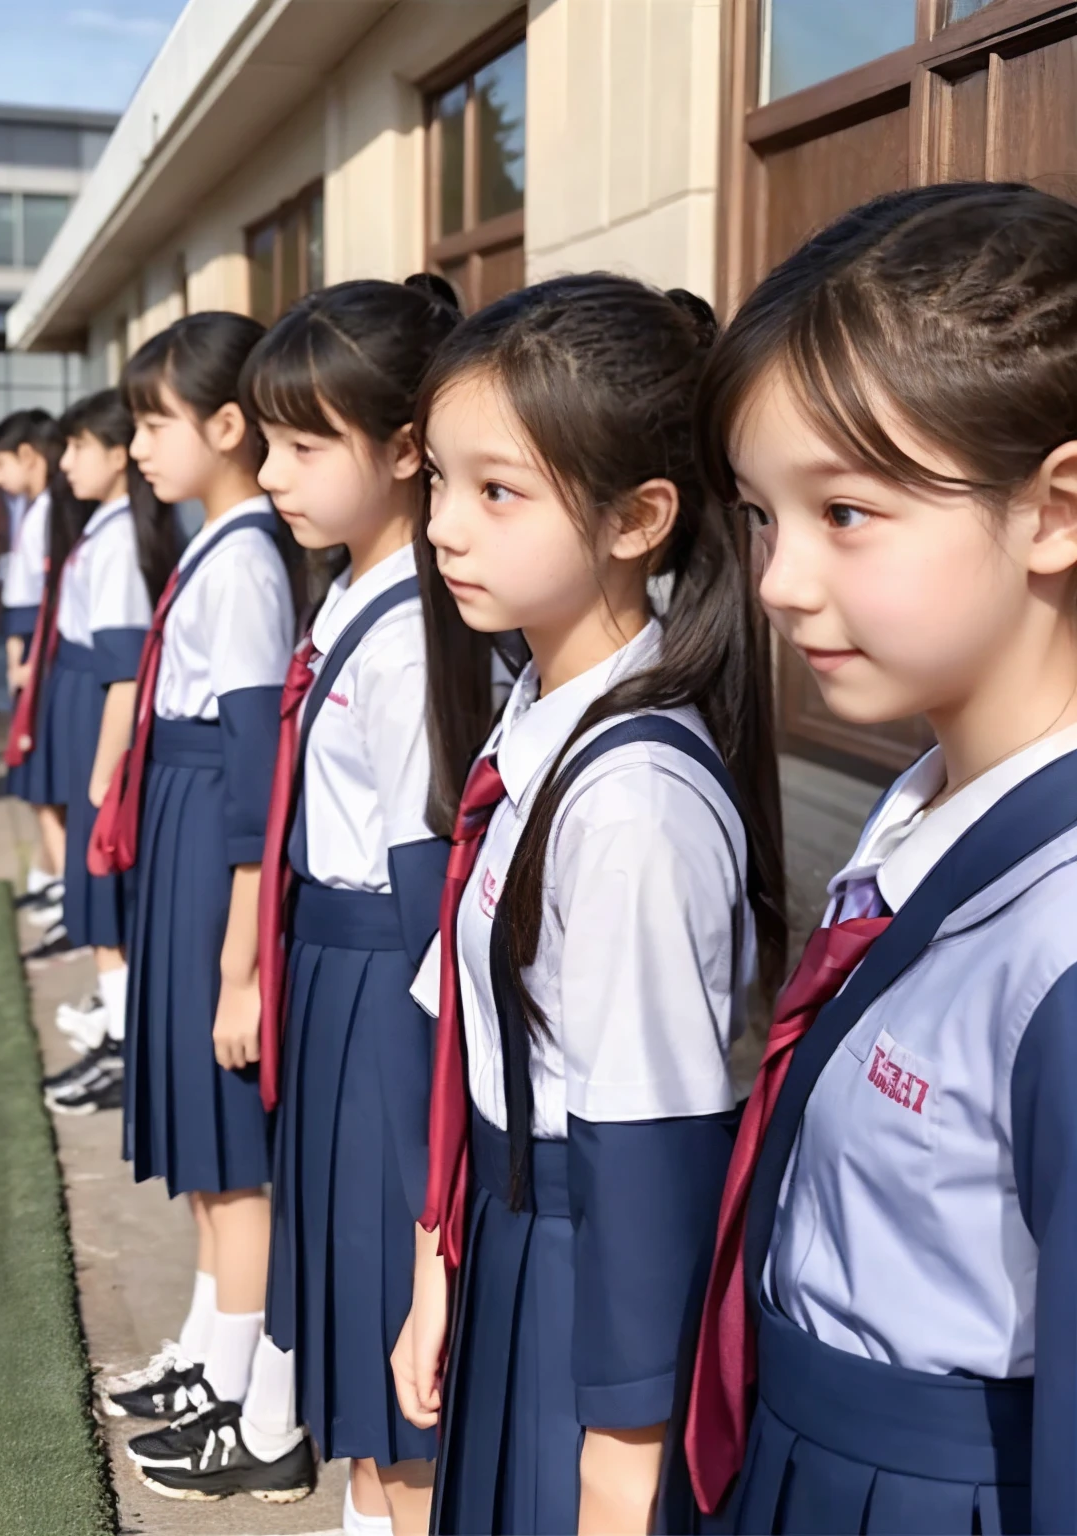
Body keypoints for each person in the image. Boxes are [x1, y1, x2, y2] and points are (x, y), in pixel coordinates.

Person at [676, 181, 1077, 1536]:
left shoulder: (1060, 942)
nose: (780, 580)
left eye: (844, 512)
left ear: (1057, 509)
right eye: (762, 513)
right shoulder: (918, 821)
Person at [389, 274, 786, 1536]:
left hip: (591, 1291)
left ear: (640, 518)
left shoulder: (633, 806)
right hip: (514, 1242)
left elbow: (652, 1156)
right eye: (440, 481)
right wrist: (441, 1262)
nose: (444, 527)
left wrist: (621, 1465)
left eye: (497, 491)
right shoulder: (537, 713)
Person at [229, 276, 464, 1533]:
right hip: (337, 977)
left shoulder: (419, 630)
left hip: (389, 994)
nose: (274, 472)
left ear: (407, 448)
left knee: (393, 1338)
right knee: (350, 1323)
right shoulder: (357, 597)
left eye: (306, 443)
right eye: (268, 439)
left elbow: (432, 895)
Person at [84, 313, 305, 1506]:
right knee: (209, 1152)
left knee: (234, 1146)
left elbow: (252, 781)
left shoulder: (251, 560)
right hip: (178, 850)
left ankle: (241, 1381)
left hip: (210, 865)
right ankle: (210, 1353)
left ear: (229, 425)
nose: (137, 445)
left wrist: (238, 963)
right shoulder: (218, 546)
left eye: (154, 421)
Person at [39, 390, 174, 1115]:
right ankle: (118, 1036)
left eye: (78, 447)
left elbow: (123, 673)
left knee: (106, 900)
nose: (67, 463)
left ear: (117, 452)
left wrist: (102, 778)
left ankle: (124, 1048)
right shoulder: (106, 528)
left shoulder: (122, 540)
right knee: (95, 906)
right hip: (84, 714)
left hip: (102, 724)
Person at [0, 408, 75, 928]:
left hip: (43, 661)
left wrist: (21, 662)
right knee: (44, 790)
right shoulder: (43, 507)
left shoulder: (50, 510)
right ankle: (53, 883)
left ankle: (67, 896)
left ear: (28, 455)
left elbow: (36, 599)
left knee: (45, 788)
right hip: (42, 658)